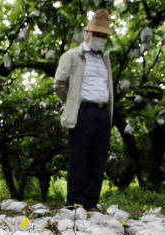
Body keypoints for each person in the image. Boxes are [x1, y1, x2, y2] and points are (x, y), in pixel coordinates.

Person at [53, 9, 114, 211]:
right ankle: (74, 202)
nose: (100, 38)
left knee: (98, 160)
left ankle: (91, 203)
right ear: (88, 34)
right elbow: (59, 84)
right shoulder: (72, 56)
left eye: (104, 35)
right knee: (79, 159)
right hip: (82, 111)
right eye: (97, 34)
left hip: (102, 113)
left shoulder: (105, 59)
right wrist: (69, 101)